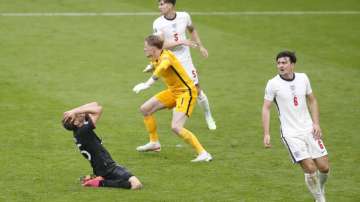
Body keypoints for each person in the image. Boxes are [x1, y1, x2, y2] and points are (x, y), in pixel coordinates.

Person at [262, 51, 330, 202]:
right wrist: (266, 133)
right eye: (278, 63)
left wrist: (316, 123)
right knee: (311, 169)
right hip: (290, 133)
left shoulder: (303, 78)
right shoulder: (273, 84)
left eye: (284, 62)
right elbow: (266, 108)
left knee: (324, 167)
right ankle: (320, 199)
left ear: (292, 64)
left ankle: (320, 189)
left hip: (309, 129)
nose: (281, 65)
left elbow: (312, 100)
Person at [133, 35, 212, 162]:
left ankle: (203, 153)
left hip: (186, 93)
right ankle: (154, 143)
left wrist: (147, 84)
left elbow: (161, 69)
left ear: (154, 48)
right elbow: (157, 65)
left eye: (146, 47)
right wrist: (151, 67)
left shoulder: (165, 57)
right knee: (145, 109)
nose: (144, 49)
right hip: (173, 91)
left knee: (176, 127)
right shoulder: (156, 56)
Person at [147, 0, 216, 130]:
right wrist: (181, 42)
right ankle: (178, 116)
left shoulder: (184, 16)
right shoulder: (158, 23)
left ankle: (208, 115)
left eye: (162, 4)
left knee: (197, 89)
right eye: (159, 4)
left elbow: (192, 30)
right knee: (176, 89)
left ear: (171, 4)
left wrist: (200, 46)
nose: (159, 7)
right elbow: (160, 45)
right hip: (169, 62)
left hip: (185, 60)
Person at [62, 102, 142, 190]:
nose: (79, 113)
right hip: (108, 167)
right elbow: (98, 110)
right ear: (76, 122)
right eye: (76, 115)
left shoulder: (80, 130)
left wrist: (73, 110)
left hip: (101, 168)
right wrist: (76, 110)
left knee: (126, 177)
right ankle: (100, 182)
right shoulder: (83, 131)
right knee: (136, 184)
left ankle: (99, 177)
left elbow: (95, 104)